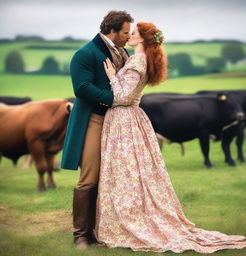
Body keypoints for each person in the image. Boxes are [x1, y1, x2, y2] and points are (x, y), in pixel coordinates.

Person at [95, 22, 246, 253]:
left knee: (125, 171)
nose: (129, 36)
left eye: (133, 33)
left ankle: (129, 221)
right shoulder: (139, 59)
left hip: (124, 119)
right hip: (130, 119)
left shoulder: (138, 60)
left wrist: (111, 77)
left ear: (144, 39)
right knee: (133, 172)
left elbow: (123, 97)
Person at [60, 10, 134, 249]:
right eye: (125, 32)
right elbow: (82, 88)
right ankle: (81, 234)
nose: (128, 36)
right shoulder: (84, 53)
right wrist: (116, 99)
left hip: (118, 122)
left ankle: (102, 230)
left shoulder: (124, 52)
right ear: (111, 31)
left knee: (112, 178)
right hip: (94, 119)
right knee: (89, 178)